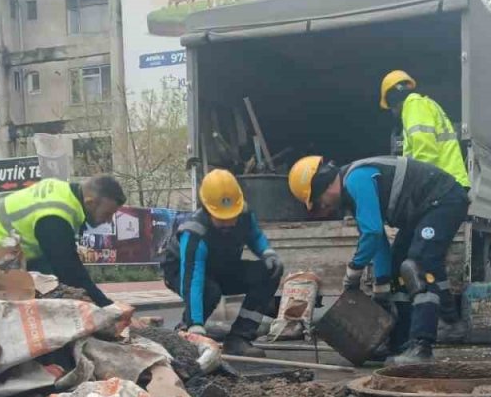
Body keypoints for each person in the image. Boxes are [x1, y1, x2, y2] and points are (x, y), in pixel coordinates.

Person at [288, 154, 469, 364]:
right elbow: (380, 240)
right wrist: (382, 284)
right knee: (398, 269)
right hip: (424, 210)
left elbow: (372, 233)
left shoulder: (356, 179)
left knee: (418, 264)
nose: (324, 208)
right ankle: (402, 342)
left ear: (324, 187)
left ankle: (422, 347)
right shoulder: (351, 191)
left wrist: (353, 271)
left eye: (318, 202)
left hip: (444, 200)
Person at [162, 169, 283, 358]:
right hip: (182, 271)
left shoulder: (244, 213)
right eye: (222, 219)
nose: (228, 223)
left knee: (268, 271)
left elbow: (255, 236)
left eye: (231, 216)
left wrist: (268, 253)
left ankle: (239, 338)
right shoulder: (195, 233)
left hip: (221, 266)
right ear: (207, 209)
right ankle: (186, 334)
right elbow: (193, 279)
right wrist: (196, 324)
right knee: (209, 291)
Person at [0, 176, 126, 306]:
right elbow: (70, 272)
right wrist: (108, 308)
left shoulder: (62, 193)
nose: (108, 220)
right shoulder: (55, 215)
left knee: (53, 283)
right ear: (90, 202)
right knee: (59, 288)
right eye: (107, 214)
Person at [379, 70, 470, 191]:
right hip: (448, 182)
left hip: (442, 185)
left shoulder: (414, 106)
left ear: (393, 99)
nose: (392, 112)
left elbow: (425, 149)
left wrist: (420, 189)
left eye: (390, 107)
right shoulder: (424, 105)